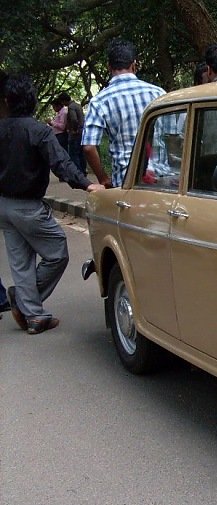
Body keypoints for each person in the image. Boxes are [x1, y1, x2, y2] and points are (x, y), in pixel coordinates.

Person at [0, 74, 104, 334]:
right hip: (28, 206)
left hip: (4, 206)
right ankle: (26, 304)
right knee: (57, 251)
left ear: (7, 101)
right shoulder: (38, 131)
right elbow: (62, 163)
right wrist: (88, 184)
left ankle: (33, 315)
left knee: (21, 261)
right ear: (33, 101)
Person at [82, 39, 166, 188]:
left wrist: (103, 178)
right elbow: (174, 136)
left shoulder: (100, 101)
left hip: (125, 182)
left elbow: (88, 147)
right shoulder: (159, 93)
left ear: (109, 67)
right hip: (162, 180)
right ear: (134, 65)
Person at [57, 91, 87, 175]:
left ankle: (78, 172)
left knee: (73, 154)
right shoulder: (78, 105)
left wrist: (74, 129)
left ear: (63, 100)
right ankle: (83, 170)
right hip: (82, 132)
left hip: (76, 134)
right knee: (81, 153)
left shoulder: (71, 107)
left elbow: (74, 119)